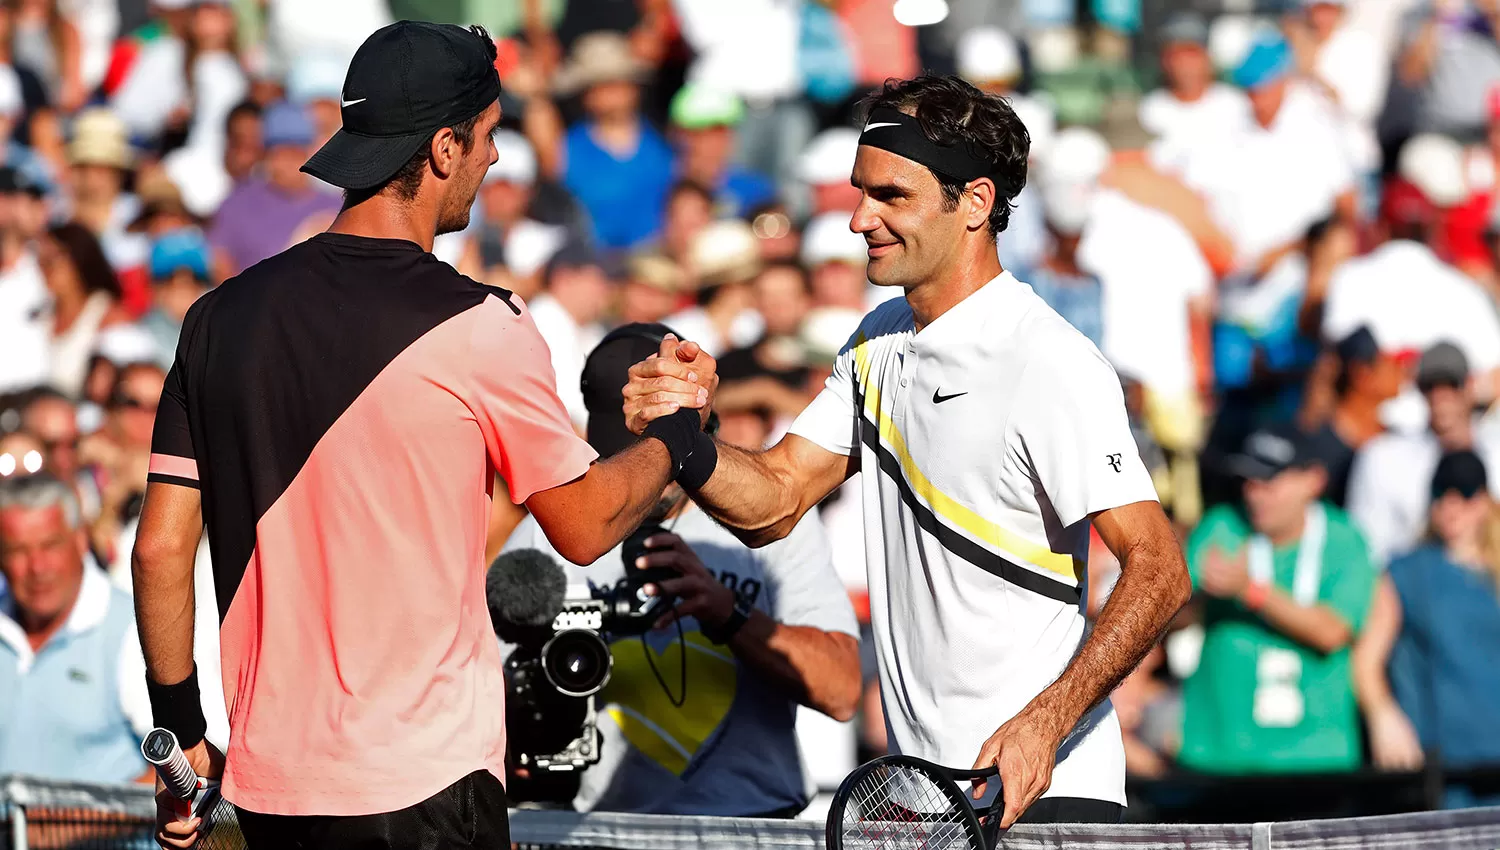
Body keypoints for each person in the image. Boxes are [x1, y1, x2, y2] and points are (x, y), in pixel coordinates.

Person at [132, 22, 716, 850]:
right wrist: (678, 434)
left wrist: (180, 733)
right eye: (488, 136)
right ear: (444, 147)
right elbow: (584, 526)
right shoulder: (482, 323)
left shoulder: (216, 318)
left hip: (267, 791)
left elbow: (160, 550)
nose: (496, 159)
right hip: (423, 789)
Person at [623, 74, 1191, 826]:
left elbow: (1160, 568)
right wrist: (684, 433)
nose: (859, 218)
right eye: (861, 191)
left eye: (891, 196)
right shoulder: (878, 337)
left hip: (1047, 793)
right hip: (923, 806)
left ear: (976, 204)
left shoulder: (1046, 358)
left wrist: (1046, 724)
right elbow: (778, 499)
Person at [502, 323, 860, 816]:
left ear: (706, 434)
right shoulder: (549, 532)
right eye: (629, 458)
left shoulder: (771, 524)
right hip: (601, 832)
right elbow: (479, 696)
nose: (651, 472)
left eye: (666, 452)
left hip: (749, 828)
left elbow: (841, 691)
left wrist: (726, 612)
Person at [1181, 424, 1378, 774]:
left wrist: (1251, 591)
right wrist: (1197, 598)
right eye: (1248, 480)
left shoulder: (1344, 540)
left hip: (1315, 759)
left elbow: (1333, 631)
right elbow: (1168, 618)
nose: (1254, 494)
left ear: (1313, 480)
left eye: (1269, 480)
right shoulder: (1222, 526)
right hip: (1219, 755)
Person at [1353, 450, 1500, 808]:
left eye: (1463, 494)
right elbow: (1366, 661)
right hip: (1444, 770)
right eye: (1441, 494)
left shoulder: (1493, 576)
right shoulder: (1405, 572)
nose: (1451, 506)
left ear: (1483, 502)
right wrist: (1382, 715)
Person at [0, 473, 149, 782]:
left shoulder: (133, 630)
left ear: (81, 540)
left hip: (109, 832)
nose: (37, 567)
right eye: (17, 550)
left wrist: (58, 825)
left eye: (50, 545)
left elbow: (185, 765)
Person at [1348, 342, 1500, 566]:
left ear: (1469, 385)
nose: (1440, 397)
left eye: (1451, 384)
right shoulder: (1384, 459)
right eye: (1430, 386)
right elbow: (1368, 546)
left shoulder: (1495, 451)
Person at [207, 100, 341, 276]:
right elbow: (220, 266)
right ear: (266, 155)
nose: (290, 164)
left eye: (296, 153)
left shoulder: (336, 206)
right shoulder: (236, 206)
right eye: (281, 154)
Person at [1303, 326, 1405, 508]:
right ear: (1362, 374)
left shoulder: (1398, 439)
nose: (1401, 370)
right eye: (1390, 362)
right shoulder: (1318, 450)